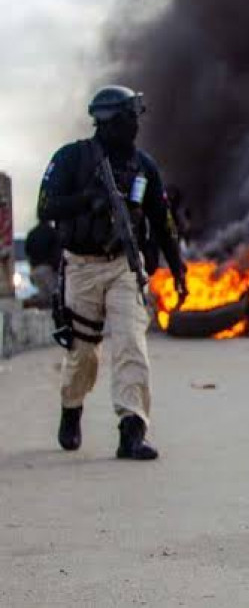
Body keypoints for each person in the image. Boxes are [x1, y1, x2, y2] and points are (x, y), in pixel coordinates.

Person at [37, 85, 188, 460]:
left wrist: (178, 268)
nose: (135, 125)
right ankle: (71, 407)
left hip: (124, 266)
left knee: (131, 345)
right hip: (82, 267)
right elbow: (46, 206)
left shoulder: (144, 167)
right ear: (108, 122)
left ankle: (132, 429)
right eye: (128, 118)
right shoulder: (71, 158)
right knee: (83, 355)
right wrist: (87, 200)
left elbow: (162, 221)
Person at [24, 219, 61, 308]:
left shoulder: (32, 233)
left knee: (44, 298)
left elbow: (27, 252)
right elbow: (58, 252)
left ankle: (32, 303)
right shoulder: (52, 232)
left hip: (35, 269)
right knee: (55, 297)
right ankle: (33, 303)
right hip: (48, 268)